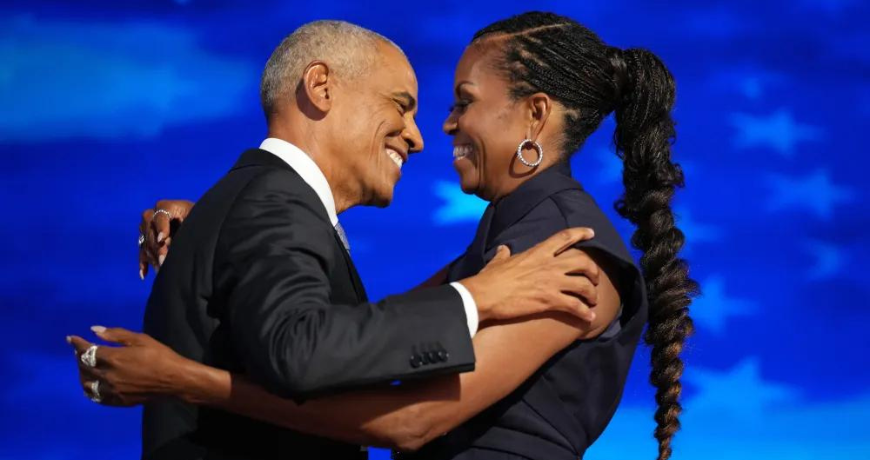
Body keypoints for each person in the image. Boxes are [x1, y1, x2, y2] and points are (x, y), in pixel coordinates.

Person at [71, 11, 699, 460]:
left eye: (463, 101)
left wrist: (188, 378)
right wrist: (217, 225)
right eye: (410, 106)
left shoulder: (565, 253)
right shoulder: (503, 251)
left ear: (534, 114)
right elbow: (359, 336)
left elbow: (415, 418)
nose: (438, 128)